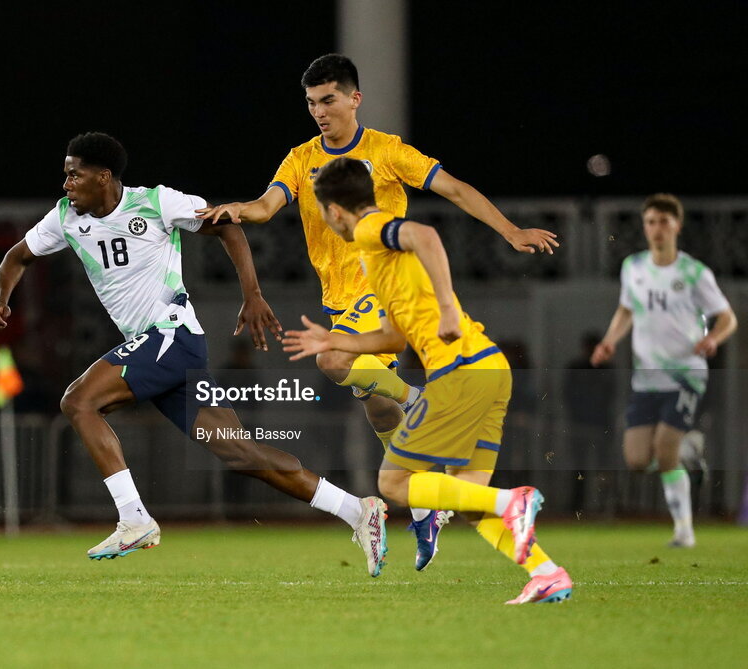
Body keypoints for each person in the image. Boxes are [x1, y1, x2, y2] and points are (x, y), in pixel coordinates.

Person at [197, 53, 558, 569]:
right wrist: (232, 210)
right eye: (311, 103)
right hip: (340, 300)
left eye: (328, 100)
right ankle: (443, 513)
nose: (319, 111)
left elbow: (452, 188)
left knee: (332, 361)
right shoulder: (300, 158)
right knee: (375, 406)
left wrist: (511, 231)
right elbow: (264, 206)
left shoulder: (387, 152)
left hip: (380, 292)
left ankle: (418, 404)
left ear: (353, 98)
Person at [0, 132, 389, 576]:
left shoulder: (157, 203)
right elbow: (16, 257)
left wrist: (251, 294)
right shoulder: (64, 217)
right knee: (242, 454)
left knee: (79, 401)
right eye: (65, 175)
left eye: (73, 175)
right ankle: (357, 510)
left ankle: (134, 519)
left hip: (170, 335)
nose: (66, 184)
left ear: (103, 177)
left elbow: (226, 226)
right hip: (158, 349)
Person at [282, 157, 572, 604]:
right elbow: (394, 335)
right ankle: (547, 572)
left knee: (393, 484)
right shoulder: (377, 260)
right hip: (490, 369)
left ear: (335, 211)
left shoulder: (368, 230)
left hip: (458, 375)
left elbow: (427, 235)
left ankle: (510, 502)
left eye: (321, 211)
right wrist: (333, 340)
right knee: (467, 497)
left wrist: (449, 307)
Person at [591, 193, 737, 548]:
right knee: (637, 459)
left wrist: (714, 338)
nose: (657, 229)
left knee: (664, 449)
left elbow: (728, 317)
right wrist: (610, 340)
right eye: (651, 222)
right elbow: (627, 310)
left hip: (686, 374)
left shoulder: (693, 272)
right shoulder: (634, 267)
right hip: (646, 378)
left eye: (664, 222)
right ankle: (689, 449)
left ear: (677, 226)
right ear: (645, 227)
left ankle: (684, 530)